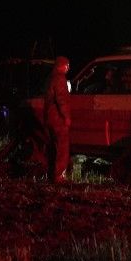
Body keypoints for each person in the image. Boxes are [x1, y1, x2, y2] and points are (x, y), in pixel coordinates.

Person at [43, 55, 71, 183]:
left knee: (52, 148)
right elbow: (61, 100)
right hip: (57, 118)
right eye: (67, 65)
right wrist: (66, 117)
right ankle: (59, 176)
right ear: (62, 65)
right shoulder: (60, 79)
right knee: (62, 147)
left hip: (49, 117)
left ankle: (51, 174)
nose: (68, 68)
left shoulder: (50, 78)